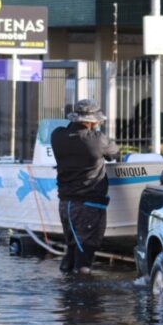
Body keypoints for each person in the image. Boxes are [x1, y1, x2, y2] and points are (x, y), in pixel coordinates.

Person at [51, 99, 119, 274]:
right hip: (89, 205)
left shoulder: (57, 135)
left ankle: (65, 295)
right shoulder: (97, 140)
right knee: (84, 259)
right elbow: (114, 153)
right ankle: (83, 298)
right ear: (92, 121)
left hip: (65, 205)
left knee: (71, 252)